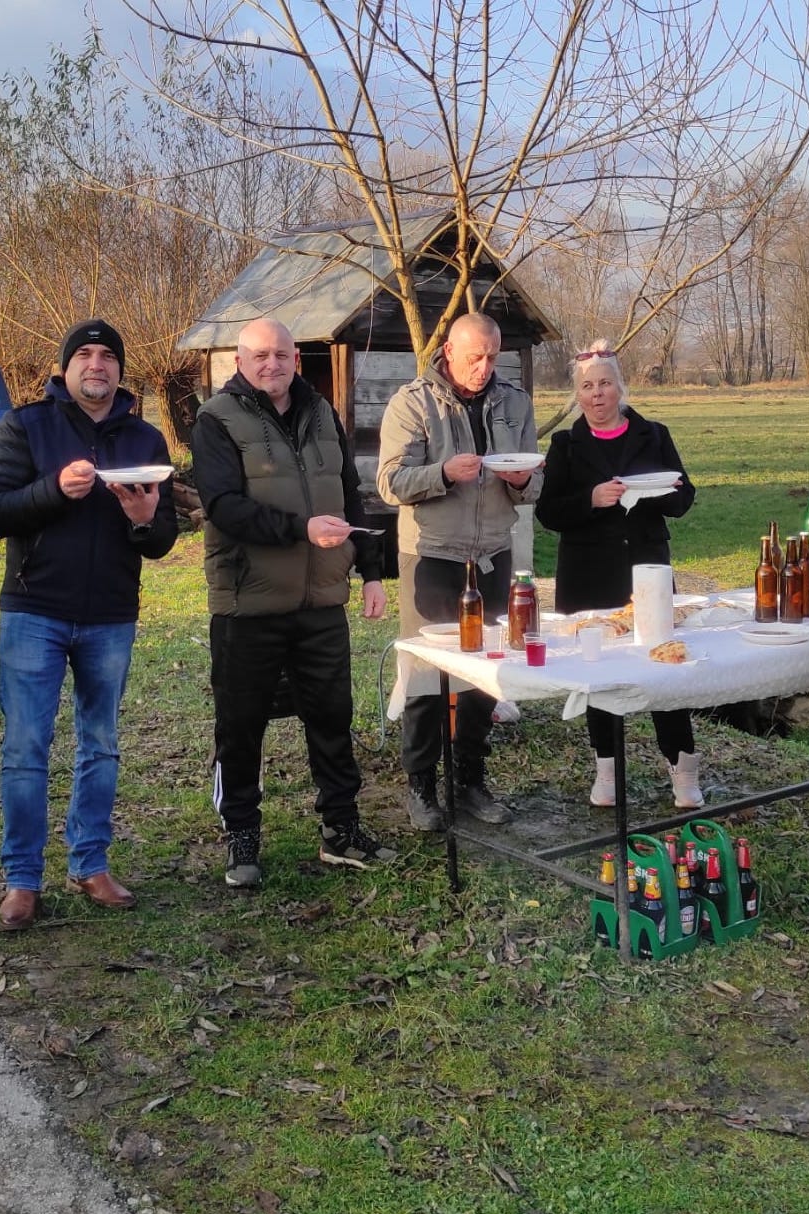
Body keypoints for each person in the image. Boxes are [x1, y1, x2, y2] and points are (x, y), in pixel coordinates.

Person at [0, 319, 178, 931]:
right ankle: (21, 880)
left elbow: (162, 538)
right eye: (84, 355)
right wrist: (53, 490)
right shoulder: (25, 425)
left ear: (120, 371)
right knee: (25, 747)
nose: (97, 365)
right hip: (34, 610)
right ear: (65, 368)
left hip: (111, 615)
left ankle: (90, 862)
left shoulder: (145, 439)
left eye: (108, 356)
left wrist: (145, 518)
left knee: (101, 744)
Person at [192, 318, 397, 888]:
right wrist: (302, 530)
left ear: (296, 361)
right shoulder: (216, 420)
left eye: (281, 355)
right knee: (241, 725)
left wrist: (372, 572)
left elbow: (349, 496)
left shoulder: (323, 413)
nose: (271, 365)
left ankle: (341, 827)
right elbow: (224, 507)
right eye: (259, 356)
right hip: (247, 603)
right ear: (240, 361)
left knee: (332, 717)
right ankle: (242, 836)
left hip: (323, 599)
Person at [376, 312, 540, 830]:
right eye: (475, 357)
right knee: (429, 678)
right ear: (449, 350)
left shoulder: (515, 402)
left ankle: (470, 780)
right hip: (432, 556)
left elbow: (536, 484)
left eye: (493, 356)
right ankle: (421, 787)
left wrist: (520, 482)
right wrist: (443, 473)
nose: (484, 366)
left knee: (485, 675)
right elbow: (389, 482)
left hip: (492, 553)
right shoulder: (412, 402)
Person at [534, 340, 702, 809]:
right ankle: (606, 770)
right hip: (588, 572)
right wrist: (591, 500)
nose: (596, 394)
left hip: (645, 569)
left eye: (605, 384)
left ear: (621, 388)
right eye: (587, 387)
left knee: (663, 666)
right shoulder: (566, 444)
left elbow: (683, 499)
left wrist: (652, 492)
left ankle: (683, 769)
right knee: (599, 673)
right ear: (577, 395)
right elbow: (549, 512)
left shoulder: (653, 434)